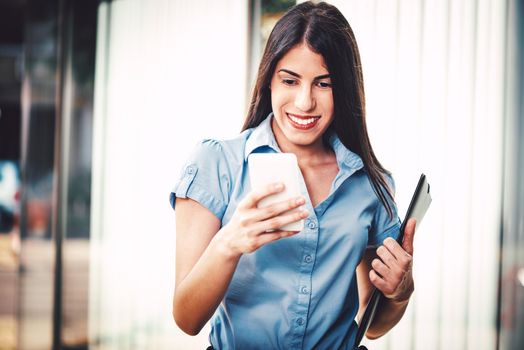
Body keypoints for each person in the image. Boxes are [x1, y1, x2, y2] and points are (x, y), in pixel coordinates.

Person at [170, 2, 417, 349]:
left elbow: (373, 325)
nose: (304, 102)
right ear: (269, 80)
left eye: (324, 84)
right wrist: (230, 242)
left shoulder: (370, 184)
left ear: (343, 89)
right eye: (290, 80)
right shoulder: (217, 164)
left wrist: (400, 293)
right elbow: (187, 318)